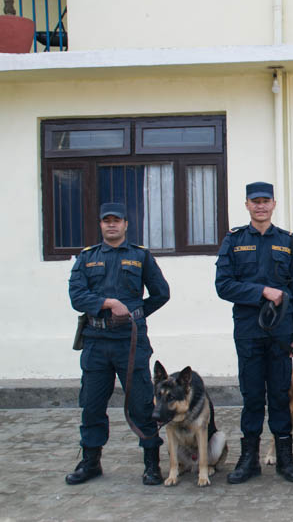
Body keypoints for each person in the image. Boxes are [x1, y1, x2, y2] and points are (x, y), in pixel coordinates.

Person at [66, 202, 170, 486]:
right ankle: (90, 462)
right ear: (100, 225)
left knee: (140, 404)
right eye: (106, 221)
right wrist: (107, 304)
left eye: (117, 220)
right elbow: (77, 296)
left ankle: (151, 464)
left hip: (130, 342)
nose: (111, 225)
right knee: (92, 404)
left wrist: (135, 314)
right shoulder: (87, 258)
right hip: (96, 342)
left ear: (126, 224)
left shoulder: (141, 257)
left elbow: (162, 293)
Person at [215, 181, 293, 484]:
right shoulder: (234, 240)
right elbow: (223, 285)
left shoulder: (288, 241)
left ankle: (285, 460)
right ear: (246, 205)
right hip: (248, 331)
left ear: (273, 204)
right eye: (255, 201)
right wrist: (262, 292)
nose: (260, 206)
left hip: (281, 333)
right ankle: (248, 461)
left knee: (280, 396)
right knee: (252, 396)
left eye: (265, 200)